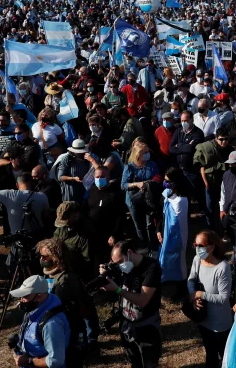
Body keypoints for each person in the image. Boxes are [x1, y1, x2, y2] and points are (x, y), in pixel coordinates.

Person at [98, 239, 163, 368]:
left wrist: (117, 289)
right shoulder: (121, 267)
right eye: (115, 264)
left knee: (150, 364)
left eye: (120, 262)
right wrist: (105, 275)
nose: (119, 266)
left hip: (147, 327)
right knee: (135, 363)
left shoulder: (151, 267)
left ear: (130, 253)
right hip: (127, 324)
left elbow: (143, 300)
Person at [36, 237, 94, 360]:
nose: (42, 259)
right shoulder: (51, 275)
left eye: (45, 256)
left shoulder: (65, 281)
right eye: (40, 256)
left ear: (56, 258)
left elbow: (64, 310)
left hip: (67, 330)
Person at [187, 230, 233, 368]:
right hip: (204, 320)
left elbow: (224, 298)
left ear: (211, 247)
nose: (197, 248)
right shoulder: (197, 260)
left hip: (220, 324)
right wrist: (193, 297)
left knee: (225, 357)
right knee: (210, 355)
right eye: (195, 245)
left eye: (200, 245)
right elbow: (191, 279)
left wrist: (200, 294)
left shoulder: (223, 267)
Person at [10, 274, 71, 368]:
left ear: (39, 296)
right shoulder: (36, 308)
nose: (21, 300)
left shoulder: (51, 324)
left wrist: (28, 361)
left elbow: (56, 361)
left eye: (25, 296)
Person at [122, 138, 162, 248]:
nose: (148, 154)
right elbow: (123, 185)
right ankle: (143, 245)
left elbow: (158, 178)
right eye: (145, 153)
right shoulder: (129, 167)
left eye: (148, 152)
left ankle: (152, 245)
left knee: (149, 224)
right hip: (133, 201)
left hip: (148, 200)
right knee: (139, 225)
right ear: (138, 154)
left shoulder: (152, 164)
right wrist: (136, 184)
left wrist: (148, 183)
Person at [194, 128, 233, 229]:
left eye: (226, 139)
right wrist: (206, 182)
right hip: (211, 182)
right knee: (209, 208)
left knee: (226, 207)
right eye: (221, 139)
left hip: (225, 184)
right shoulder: (206, 147)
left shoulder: (230, 150)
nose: (224, 141)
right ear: (216, 138)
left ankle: (225, 228)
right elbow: (200, 165)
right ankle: (210, 229)